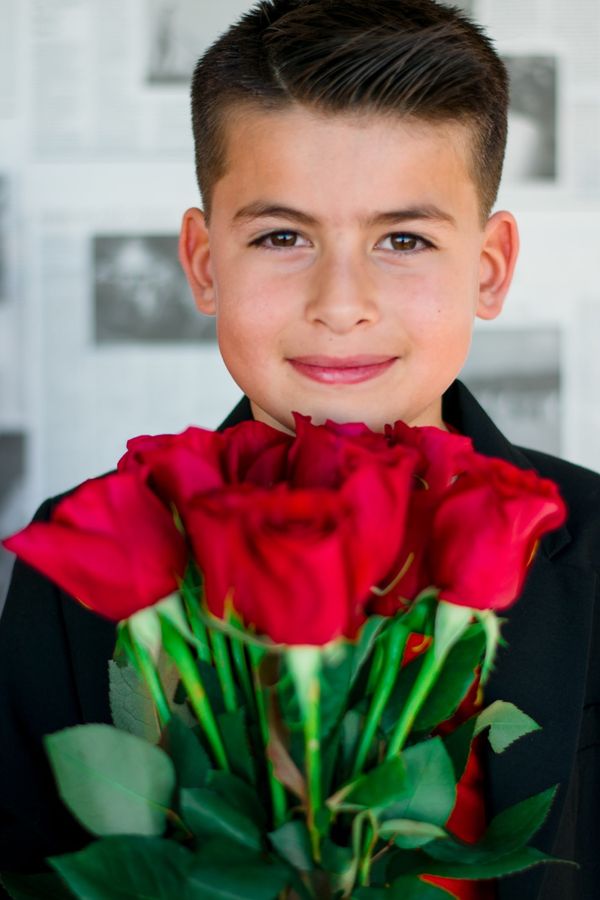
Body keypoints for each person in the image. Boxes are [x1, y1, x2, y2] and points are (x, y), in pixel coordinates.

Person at [0, 2, 598, 898]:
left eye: (404, 239)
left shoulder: (595, 545)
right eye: (282, 236)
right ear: (204, 262)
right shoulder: (83, 552)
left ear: (489, 268)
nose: (340, 303)